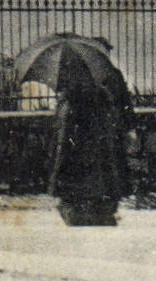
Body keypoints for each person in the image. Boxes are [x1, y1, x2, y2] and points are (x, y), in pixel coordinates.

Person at [49, 68, 133, 226]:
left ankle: (98, 211)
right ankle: (80, 211)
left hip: (95, 135)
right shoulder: (78, 76)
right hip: (81, 135)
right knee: (84, 174)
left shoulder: (109, 76)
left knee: (99, 174)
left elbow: (121, 101)